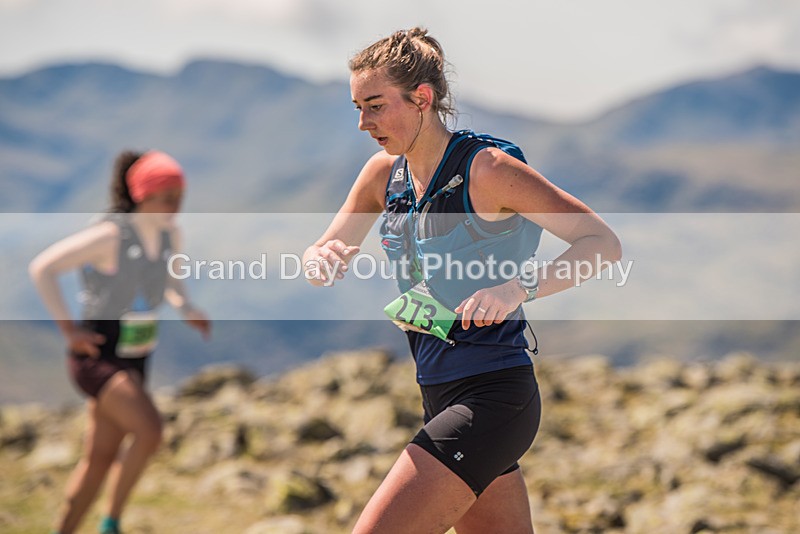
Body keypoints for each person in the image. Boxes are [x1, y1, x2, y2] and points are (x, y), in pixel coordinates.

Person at [303, 28, 622, 533]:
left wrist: (518, 288)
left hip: (494, 396)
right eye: (357, 108)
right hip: (436, 390)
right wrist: (320, 259)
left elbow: (601, 243)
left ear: (422, 99)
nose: (364, 123)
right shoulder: (382, 175)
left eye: (376, 106)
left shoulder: (489, 170)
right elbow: (324, 247)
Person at [29, 150, 211, 534]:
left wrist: (186, 307)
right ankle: (110, 523)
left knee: (98, 458)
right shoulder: (109, 235)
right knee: (150, 430)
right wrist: (69, 331)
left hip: (136, 357)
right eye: (166, 197)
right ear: (142, 195)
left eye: (179, 197)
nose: (174, 206)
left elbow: (169, 281)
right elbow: (43, 268)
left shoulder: (169, 234)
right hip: (99, 356)